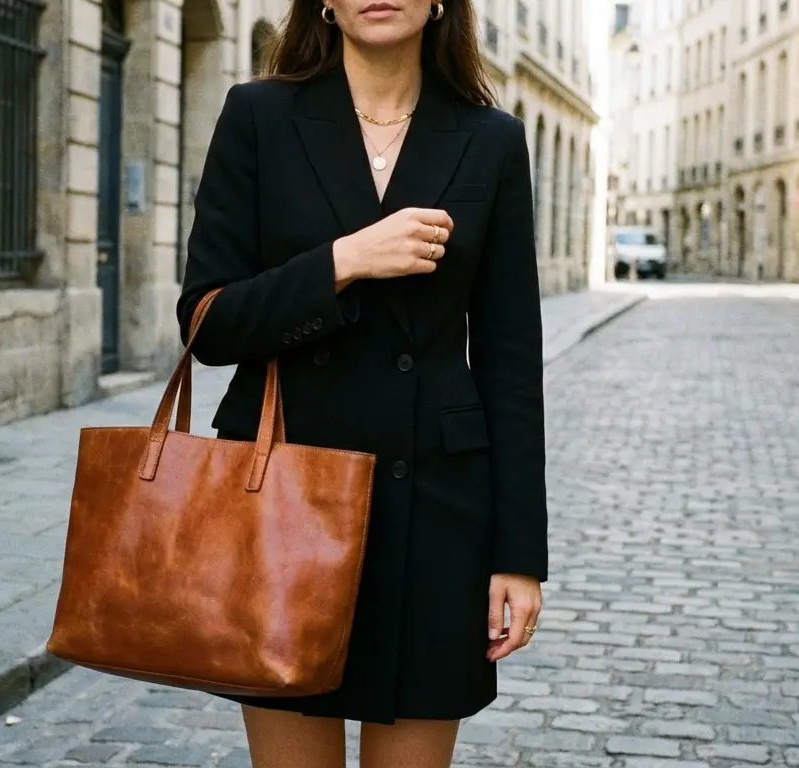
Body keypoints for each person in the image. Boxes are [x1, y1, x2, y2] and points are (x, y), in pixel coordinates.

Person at [174, 1, 547, 766]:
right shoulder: (259, 116)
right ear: (326, 2)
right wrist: (344, 261)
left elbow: (511, 361)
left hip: (435, 515)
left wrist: (519, 554)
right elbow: (207, 323)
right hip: (282, 503)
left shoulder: (491, 140)